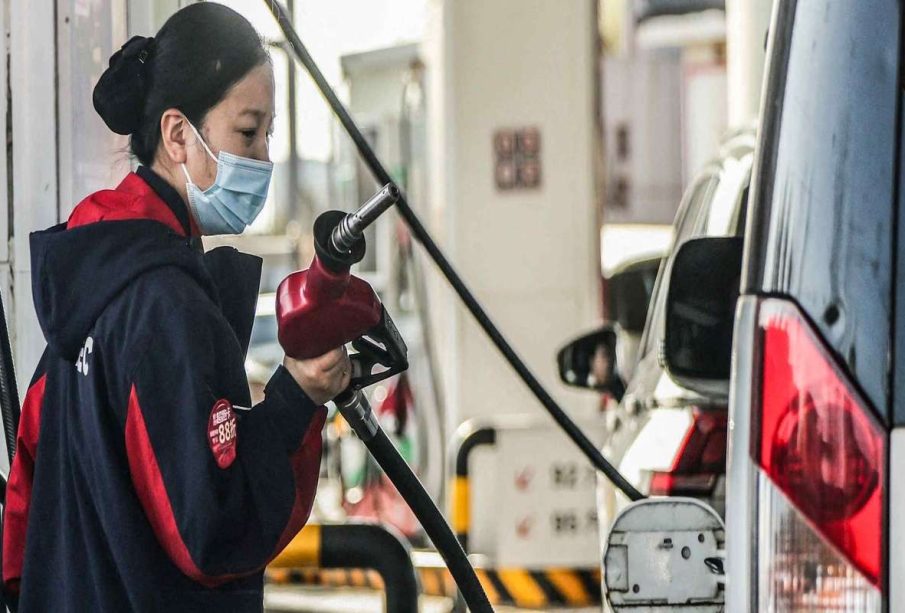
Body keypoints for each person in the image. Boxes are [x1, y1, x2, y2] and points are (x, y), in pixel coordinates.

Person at [1, 4, 350, 611]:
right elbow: (212, 534)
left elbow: (25, 501)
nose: (264, 157)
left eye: (270, 133)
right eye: (247, 132)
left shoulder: (93, 276)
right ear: (177, 134)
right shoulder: (165, 303)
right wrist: (297, 397)